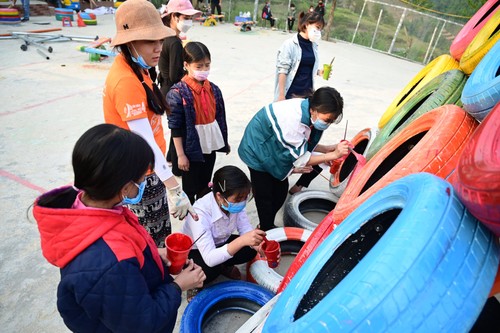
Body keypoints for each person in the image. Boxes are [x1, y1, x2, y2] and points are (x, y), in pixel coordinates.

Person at [33, 124, 206, 333]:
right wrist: (179, 285)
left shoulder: (92, 209)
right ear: (124, 188)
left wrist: (153, 254)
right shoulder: (109, 264)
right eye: (142, 179)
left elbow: (126, 252)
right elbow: (143, 324)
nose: (143, 183)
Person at [103, 0, 197, 248]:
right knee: (149, 243)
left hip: (150, 168)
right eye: (149, 41)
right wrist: (175, 188)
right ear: (129, 42)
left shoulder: (138, 68)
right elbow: (143, 142)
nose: (158, 48)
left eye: (160, 40)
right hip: (137, 172)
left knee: (159, 234)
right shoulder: (125, 81)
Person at [238, 87, 349, 231]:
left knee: (280, 191)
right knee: (265, 194)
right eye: (327, 119)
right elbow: (301, 158)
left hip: (275, 144)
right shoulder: (292, 120)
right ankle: (265, 228)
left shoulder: (308, 111)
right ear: (314, 109)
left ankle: (267, 223)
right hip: (258, 148)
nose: (327, 124)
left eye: (331, 121)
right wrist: (333, 155)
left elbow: (301, 142)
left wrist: (326, 149)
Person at [182, 166, 267, 298]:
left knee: (250, 248)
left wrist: (258, 245)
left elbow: (245, 228)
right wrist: (241, 241)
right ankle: (195, 285)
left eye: (245, 197)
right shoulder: (199, 214)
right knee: (208, 270)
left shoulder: (234, 205)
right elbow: (209, 258)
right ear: (219, 196)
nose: (243, 202)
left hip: (220, 241)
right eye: (238, 199)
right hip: (196, 251)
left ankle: (224, 265)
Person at [166, 41, 230, 204]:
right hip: (191, 147)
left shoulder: (213, 89)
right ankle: (192, 213)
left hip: (209, 144)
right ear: (186, 65)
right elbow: (176, 127)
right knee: (190, 185)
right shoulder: (177, 93)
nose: (204, 70)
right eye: (199, 66)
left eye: (207, 65)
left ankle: (203, 208)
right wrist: (180, 155)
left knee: (205, 180)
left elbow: (220, 118)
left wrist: (224, 141)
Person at [274, 11, 327, 194]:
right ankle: (278, 176)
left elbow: (307, 68)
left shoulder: (314, 46)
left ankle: (299, 184)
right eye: (317, 27)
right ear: (306, 24)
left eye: (320, 28)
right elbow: (283, 70)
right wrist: (281, 95)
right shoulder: (290, 44)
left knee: (309, 136)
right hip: (290, 96)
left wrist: (319, 73)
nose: (318, 31)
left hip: (308, 98)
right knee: (287, 141)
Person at [159, 0, 202, 167]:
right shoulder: (175, 42)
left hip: (166, 89)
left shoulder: (167, 37)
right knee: (178, 128)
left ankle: (171, 158)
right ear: (174, 16)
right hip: (173, 91)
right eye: (186, 17)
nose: (189, 22)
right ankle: (176, 162)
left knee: (175, 127)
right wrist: (189, 74)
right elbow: (174, 74)